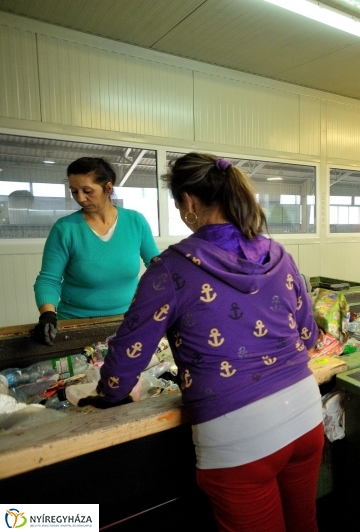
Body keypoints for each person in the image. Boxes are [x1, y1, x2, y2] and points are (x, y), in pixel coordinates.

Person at [90, 153, 323, 532]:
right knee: (305, 525)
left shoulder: (170, 268)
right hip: (305, 414)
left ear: (189, 202)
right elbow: (309, 334)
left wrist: (108, 394)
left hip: (239, 436)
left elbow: (128, 356)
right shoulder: (279, 255)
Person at [31, 157, 159, 346]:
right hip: (77, 324)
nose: (80, 198)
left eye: (87, 191)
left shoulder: (135, 222)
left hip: (126, 321)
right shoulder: (66, 229)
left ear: (108, 188)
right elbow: (48, 279)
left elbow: (157, 266)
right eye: (74, 191)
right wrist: (48, 315)